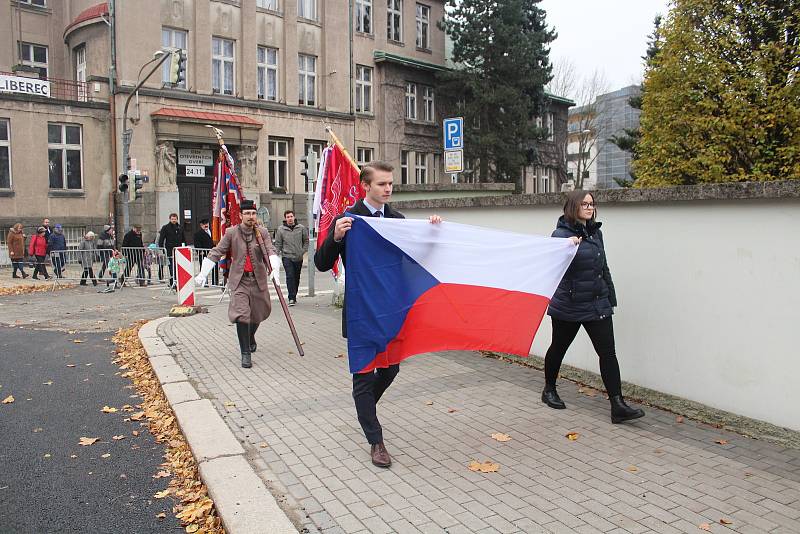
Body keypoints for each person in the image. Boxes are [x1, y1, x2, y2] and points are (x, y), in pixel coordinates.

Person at [314, 161, 442, 468]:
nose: (388, 189)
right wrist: (336, 237)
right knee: (363, 377)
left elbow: (416, 258)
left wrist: (433, 232)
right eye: (382, 184)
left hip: (391, 313)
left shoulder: (397, 220)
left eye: (390, 184)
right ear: (366, 186)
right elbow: (320, 262)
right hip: (360, 314)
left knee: (390, 371)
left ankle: (365, 408)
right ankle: (376, 441)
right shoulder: (349, 220)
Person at [542, 190, 645, 424]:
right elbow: (551, 266)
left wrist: (610, 297)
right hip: (569, 304)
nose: (589, 208)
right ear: (573, 207)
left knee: (608, 353)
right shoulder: (560, 235)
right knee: (558, 348)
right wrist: (566, 247)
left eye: (591, 204)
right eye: (584, 204)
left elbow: (603, 267)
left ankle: (617, 405)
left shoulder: (596, 233)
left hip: (597, 303)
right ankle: (549, 389)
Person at [194, 200, 281, 369]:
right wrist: (203, 272)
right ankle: (245, 353)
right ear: (241, 215)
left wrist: (275, 269)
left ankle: (250, 337)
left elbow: (270, 250)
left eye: (253, 213)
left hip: (258, 280)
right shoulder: (231, 232)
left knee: (259, 313)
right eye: (247, 213)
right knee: (242, 315)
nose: (251, 217)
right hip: (239, 281)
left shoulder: (262, 232)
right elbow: (217, 251)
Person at [274, 210, 309, 306]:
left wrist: (302, 251)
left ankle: (294, 294)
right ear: (285, 218)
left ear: (294, 217)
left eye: (291, 216)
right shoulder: (281, 229)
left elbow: (306, 241)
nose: (290, 218)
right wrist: (275, 255)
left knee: (296, 277)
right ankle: (291, 298)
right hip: (286, 256)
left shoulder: (301, 228)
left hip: (298, 257)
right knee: (290, 276)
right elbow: (278, 244)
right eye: (288, 217)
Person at [158, 213, 184, 288]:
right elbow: (161, 239)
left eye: (175, 219)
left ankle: (175, 282)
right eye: (172, 219)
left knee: (178, 267)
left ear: (177, 219)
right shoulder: (165, 227)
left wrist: (184, 247)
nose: (174, 220)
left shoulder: (180, 227)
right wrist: (162, 249)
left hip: (179, 250)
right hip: (169, 250)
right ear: (170, 219)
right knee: (172, 267)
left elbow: (183, 238)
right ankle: (173, 282)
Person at [193, 219, 218, 286]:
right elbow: (197, 244)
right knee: (204, 268)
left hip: (213, 253)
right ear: (201, 225)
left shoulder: (213, 232)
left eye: (207, 224)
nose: (206, 225)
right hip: (204, 254)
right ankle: (205, 282)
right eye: (204, 224)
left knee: (215, 267)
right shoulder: (198, 234)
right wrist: (200, 252)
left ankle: (215, 282)